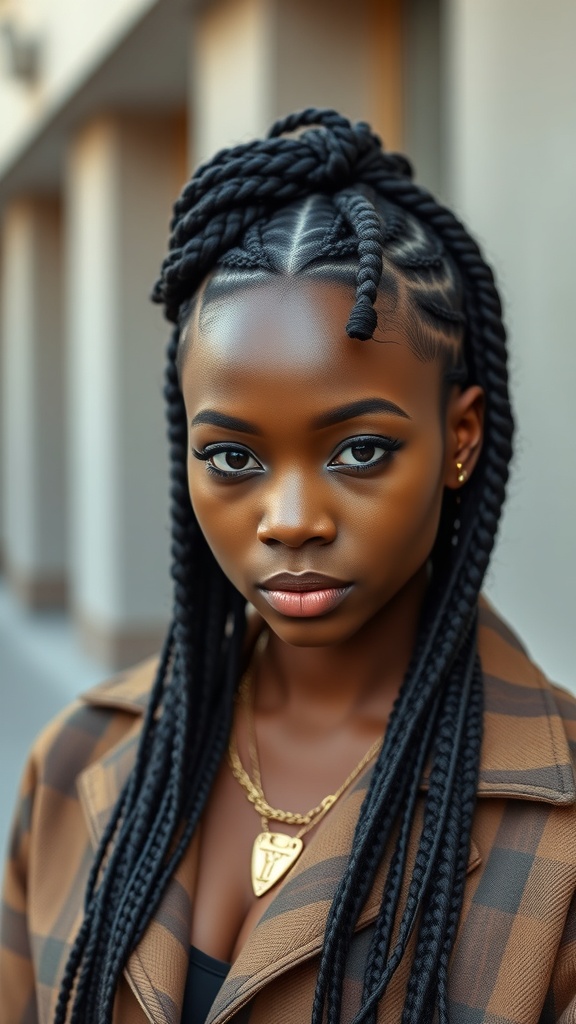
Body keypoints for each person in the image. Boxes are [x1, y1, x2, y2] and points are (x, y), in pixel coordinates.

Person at [1, 108, 575, 1024]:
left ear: (460, 437)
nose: (292, 521)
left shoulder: (562, 828)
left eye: (358, 451)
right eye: (233, 458)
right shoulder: (78, 761)